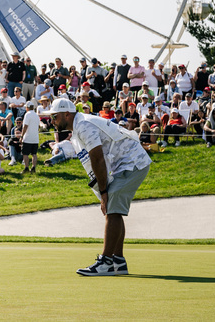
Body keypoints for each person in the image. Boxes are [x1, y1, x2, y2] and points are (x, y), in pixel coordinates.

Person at [47, 97, 151, 276]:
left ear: (67, 114)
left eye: (54, 117)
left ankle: (106, 261)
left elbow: (97, 158)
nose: (52, 121)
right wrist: (102, 191)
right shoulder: (77, 129)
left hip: (133, 161)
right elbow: (92, 162)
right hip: (124, 164)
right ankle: (118, 261)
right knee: (113, 208)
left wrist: (104, 192)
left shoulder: (83, 125)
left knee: (112, 208)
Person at [21, 101, 41, 173]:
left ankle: (26, 168)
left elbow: (25, 126)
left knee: (25, 154)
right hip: (35, 138)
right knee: (34, 154)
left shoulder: (27, 114)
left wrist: (22, 136)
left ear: (27, 108)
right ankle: (33, 168)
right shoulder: (36, 115)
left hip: (28, 138)